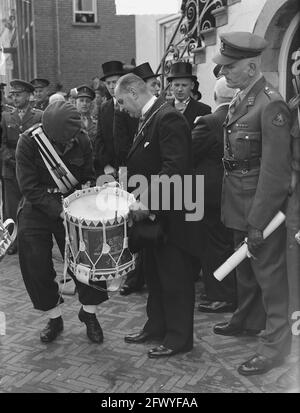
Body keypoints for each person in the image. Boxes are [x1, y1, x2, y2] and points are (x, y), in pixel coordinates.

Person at [212, 32, 292, 376]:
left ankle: (275, 347)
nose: (223, 73)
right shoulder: (241, 97)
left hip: (258, 206)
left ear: (251, 66)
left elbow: (275, 172)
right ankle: (247, 319)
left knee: (270, 278)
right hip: (237, 198)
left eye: (229, 67)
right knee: (246, 272)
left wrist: (259, 221)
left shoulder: (270, 104)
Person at [115, 73, 198, 358]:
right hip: (153, 217)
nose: (121, 107)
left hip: (171, 215)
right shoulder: (151, 117)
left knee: (175, 277)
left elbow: (175, 167)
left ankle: (179, 338)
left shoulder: (168, 118)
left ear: (134, 93)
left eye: (122, 100)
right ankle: (157, 325)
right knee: (154, 275)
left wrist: (147, 203)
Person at [15, 100, 108, 344]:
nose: (67, 144)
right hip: (37, 206)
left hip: (72, 203)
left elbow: (87, 174)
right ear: (47, 132)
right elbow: (29, 187)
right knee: (35, 263)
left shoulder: (83, 140)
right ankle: (54, 317)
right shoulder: (28, 142)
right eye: (61, 142)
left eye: (70, 140)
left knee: (89, 260)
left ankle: (89, 314)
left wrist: (89, 192)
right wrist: (60, 212)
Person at [192, 76, 237, 313]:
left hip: (210, 197)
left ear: (216, 96)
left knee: (214, 246)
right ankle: (230, 291)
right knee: (229, 243)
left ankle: (221, 295)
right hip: (235, 192)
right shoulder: (242, 118)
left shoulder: (209, 122)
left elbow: (190, 152)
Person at [1, 79, 42, 255]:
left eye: (18, 95)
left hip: (31, 170)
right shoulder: (5, 116)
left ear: (28, 95)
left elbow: (42, 144)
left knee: (31, 206)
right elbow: (1, 143)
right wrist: (10, 159)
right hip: (10, 169)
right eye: (13, 95)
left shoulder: (39, 116)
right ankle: (12, 242)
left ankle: (31, 240)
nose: (15, 98)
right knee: (10, 208)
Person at [94, 60, 125, 177]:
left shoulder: (132, 105)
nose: (112, 86)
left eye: (115, 82)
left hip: (131, 168)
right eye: (108, 83)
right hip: (110, 168)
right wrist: (106, 164)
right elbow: (99, 138)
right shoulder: (104, 108)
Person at [167, 61, 211, 129]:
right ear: (171, 86)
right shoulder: (164, 108)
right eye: (176, 85)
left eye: (184, 85)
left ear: (192, 86)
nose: (180, 89)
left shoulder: (204, 110)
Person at [74, 85, 97, 150]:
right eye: (81, 101)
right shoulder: (71, 120)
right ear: (76, 102)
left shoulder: (95, 120)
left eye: (87, 101)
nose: (84, 103)